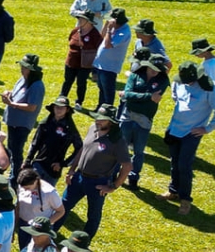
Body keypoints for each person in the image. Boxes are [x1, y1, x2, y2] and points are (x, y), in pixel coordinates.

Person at [161, 63, 215, 216]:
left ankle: (185, 200)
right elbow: (176, 98)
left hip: (191, 134)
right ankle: (173, 191)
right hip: (175, 129)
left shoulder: (209, 88)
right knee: (174, 162)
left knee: (184, 165)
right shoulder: (179, 82)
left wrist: (207, 128)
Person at [58, 105, 129, 237]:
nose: (98, 121)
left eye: (102, 119)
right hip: (79, 176)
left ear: (111, 122)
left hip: (98, 182)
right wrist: (72, 170)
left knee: (93, 215)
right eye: (97, 117)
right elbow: (82, 150)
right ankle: (51, 233)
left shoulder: (117, 141)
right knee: (63, 206)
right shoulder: (92, 128)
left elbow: (127, 167)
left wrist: (113, 186)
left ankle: (83, 244)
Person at [117, 55, 168, 190]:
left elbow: (155, 97)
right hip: (128, 116)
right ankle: (113, 174)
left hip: (144, 120)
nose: (155, 71)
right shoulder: (135, 76)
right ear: (147, 66)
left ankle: (133, 178)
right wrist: (148, 96)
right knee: (120, 148)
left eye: (158, 69)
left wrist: (136, 97)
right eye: (153, 68)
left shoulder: (163, 80)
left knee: (139, 152)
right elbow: (127, 94)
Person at [0, 54, 44, 183]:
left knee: (16, 152)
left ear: (31, 69)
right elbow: (17, 93)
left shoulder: (36, 86)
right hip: (13, 122)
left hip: (21, 124)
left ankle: (15, 178)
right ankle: (13, 173)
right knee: (11, 149)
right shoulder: (23, 79)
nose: (21, 69)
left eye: (24, 67)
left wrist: (11, 104)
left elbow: (31, 107)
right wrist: (9, 93)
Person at [25, 97, 80, 187]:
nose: (59, 110)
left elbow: (79, 148)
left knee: (46, 196)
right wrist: (28, 160)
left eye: (62, 108)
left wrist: (63, 164)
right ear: (53, 108)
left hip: (54, 169)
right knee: (30, 190)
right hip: (39, 163)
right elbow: (35, 143)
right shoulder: (45, 123)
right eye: (57, 107)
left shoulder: (70, 128)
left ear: (67, 110)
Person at [92, 9, 131, 106]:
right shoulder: (114, 27)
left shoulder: (124, 32)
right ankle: (100, 107)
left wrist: (109, 30)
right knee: (101, 88)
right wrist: (106, 25)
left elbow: (107, 45)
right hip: (101, 64)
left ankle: (108, 110)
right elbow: (102, 36)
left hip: (110, 67)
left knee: (108, 90)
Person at [61, 12, 102, 106]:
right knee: (67, 81)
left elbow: (99, 50)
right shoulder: (75, 30)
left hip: (85, 64)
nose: (79, 20)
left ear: (88, 22)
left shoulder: (95, 35)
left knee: (81, 83)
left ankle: (79, 101)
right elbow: (70, 40)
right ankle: (62, 97)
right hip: (71, 62)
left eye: (82, 19)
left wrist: (95, 70)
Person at [15, 166, 65, 235]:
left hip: (39, 229)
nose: (25, 190)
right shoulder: (22, 184)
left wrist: (45, 225)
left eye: (28, 188)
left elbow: (60, 211)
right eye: (23, 188)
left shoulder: (49, 192)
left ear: (35, 181)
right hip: (23, 224)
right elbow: (18, 205)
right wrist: (15, 224)